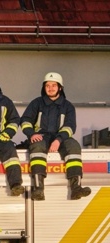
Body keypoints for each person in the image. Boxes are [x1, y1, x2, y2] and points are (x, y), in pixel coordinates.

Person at [22, 72, 91, 201]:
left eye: (54, 85)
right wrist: (32, 134)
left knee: (74, 146)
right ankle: (38, 189)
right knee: (37, 147)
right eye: (47, 85)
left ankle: (76, 188)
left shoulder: (68, 106)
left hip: (61, 137)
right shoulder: (36, 103)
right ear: (44, 87)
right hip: (41, 136)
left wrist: (58, 140)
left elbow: (70, 127)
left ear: (60, 88)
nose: (50, 88)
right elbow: (25, 121)